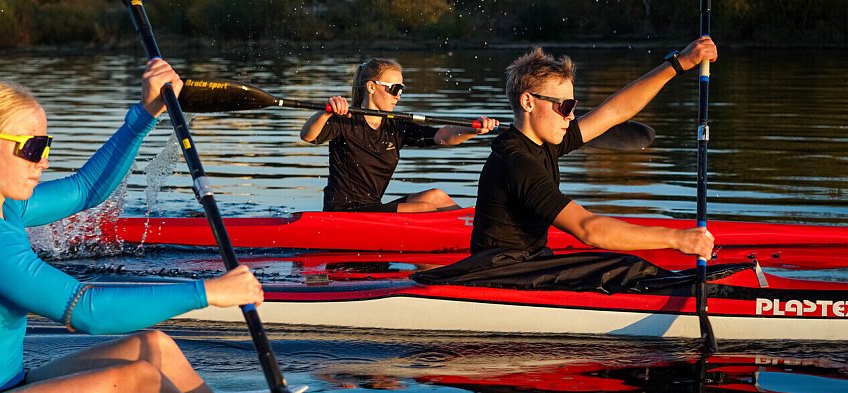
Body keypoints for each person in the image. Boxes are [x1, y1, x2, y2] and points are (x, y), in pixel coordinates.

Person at [0, 59, 264, 393]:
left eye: (45, 146)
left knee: (154, 348)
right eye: (31, 147)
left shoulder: (6, 208)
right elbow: (86, 311)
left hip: (3, 388)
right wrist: (208, 291)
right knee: (139, 383)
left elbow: (86, 189)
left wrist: (146, 112)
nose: (44, 161)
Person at [470, 38, 718, 260]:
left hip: (528, 264)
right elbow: (589, 229)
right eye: (564, 106)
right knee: (623, 266)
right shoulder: (517, 162)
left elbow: (614, 112)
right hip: (499, 274)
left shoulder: (544, 141)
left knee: (622, 266)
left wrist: (678, 64)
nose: (571, 116)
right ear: (528, 102)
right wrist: (677, 239)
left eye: (573, 106)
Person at [300, 58, 499, 213]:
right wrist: (325, 112)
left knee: (436, 196)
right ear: (371, 87)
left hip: (372, 208)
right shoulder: (344, 120)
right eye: (394, 89)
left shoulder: (395, 126)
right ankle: (471, 238)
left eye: (401, 90)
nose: (398, 96)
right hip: (345, 212)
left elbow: (443, 135)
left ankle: (472, 230)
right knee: (425, 210)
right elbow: (308, 136)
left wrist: (473, 130)